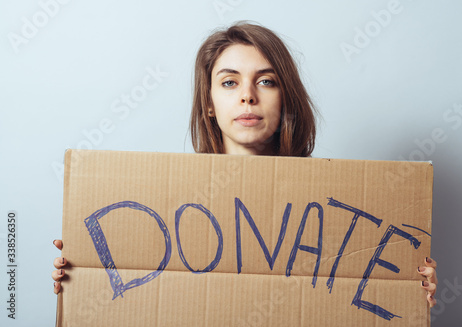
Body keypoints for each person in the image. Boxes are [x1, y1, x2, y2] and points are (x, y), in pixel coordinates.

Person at [52, 22, 438, 307]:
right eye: (229, 82)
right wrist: (82, 278)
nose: (248, 97)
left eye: (266, 82)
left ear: (285, 97)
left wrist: (407, 291)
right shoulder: (170, 204)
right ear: (208, 101)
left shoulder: (334, 206)